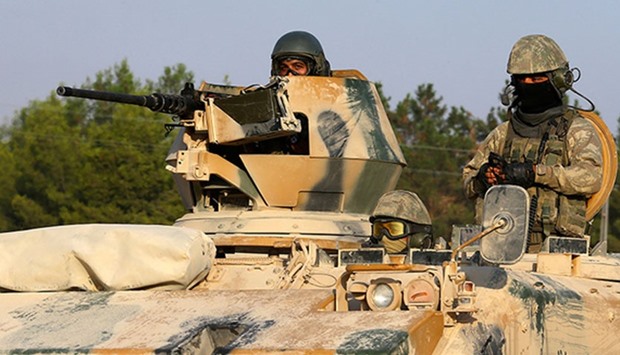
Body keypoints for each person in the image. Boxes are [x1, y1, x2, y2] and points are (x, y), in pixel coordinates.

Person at [462, 34, 603, 253]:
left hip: (557, 254)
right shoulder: (503, 133)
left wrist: (535, 173)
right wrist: (483, 178)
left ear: (558, 80)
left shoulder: (576, 130)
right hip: (501, 247)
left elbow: (590, 178)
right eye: (522, 79)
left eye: (537, 79)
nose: (528, 84)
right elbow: (468, 180)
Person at [368, 190, 434, 254]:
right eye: (378, 230)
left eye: (394, 229)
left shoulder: (438, 264)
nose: (384, 237)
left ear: (417, 238)